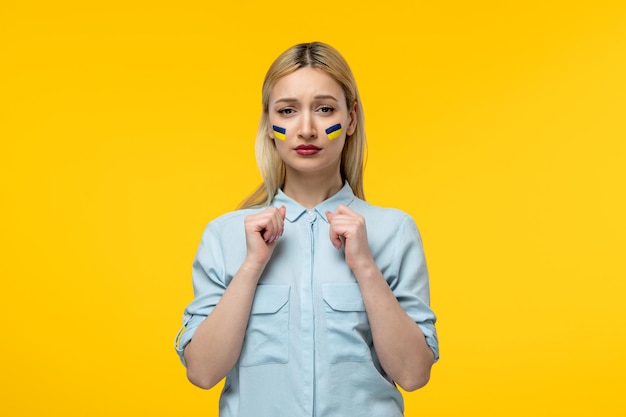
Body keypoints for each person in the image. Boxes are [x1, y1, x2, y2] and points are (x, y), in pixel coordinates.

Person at [174, 41, 439, 417]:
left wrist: (364, 265)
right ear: (269, 124)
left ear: (350, 119)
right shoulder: (224, 236)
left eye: (325, 109)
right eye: (287, 111)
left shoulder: (394, 231)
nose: (307, 129)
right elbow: (201, 372)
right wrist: (251, 266)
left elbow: (413, 374)